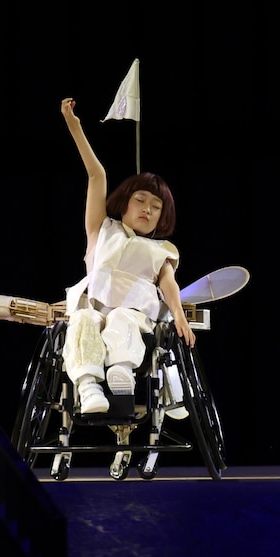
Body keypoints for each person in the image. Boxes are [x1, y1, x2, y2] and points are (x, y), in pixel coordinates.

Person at [60, 97, 196, 414]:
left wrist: (178, 314)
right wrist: (74, 127)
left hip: (135, 314)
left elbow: (169, 283)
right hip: (93, 306)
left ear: (163, 217)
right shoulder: (100, 229)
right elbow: (97, 176)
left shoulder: (160, 249)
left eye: (156, 206)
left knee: (122, 318)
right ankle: (89, 386)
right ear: (125, 201)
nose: (147, 209)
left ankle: (121, 371)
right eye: (141, 199)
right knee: (82, 320)